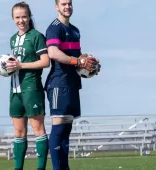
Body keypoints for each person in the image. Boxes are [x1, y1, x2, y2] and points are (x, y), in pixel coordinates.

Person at [45, 0, 101, 170]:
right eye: (63, 4)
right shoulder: (54, 28)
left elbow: (79, 60)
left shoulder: (75, 30)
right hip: (58, 83)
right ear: (56, 7)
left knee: (67, 128)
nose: (67, 7)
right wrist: (78, 61)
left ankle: (65, 167)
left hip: (72, 83)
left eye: (69, 4)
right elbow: (53, 53)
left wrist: (90, 67)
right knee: (58, 126)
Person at [6, 2, 49, 170]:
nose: (21, 20)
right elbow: (13, 64)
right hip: (15, 89)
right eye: (17, 17)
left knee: (38, 129)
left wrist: (21, 66)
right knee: (18, 132)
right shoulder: (13, 39)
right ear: (13, 19)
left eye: (24, 16)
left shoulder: (36, 36)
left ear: (29, 17)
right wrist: (5, 69)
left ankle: (40, 168)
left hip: (31, 87)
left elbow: (45, 62)